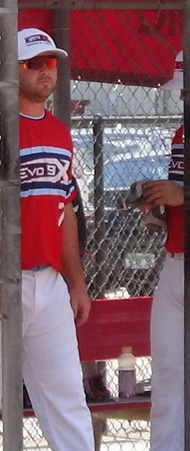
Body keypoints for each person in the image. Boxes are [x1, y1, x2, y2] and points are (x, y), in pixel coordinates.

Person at [0, 28, 94, 450]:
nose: (46, 71)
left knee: (67, 397)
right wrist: (0, 279)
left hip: (48, 281)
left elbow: (64, 212)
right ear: (9, 70)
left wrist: (76, 283)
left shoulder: (58, 131)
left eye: (51, 62)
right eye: (33, 63)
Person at [142, 49, 185, 451]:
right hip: (175, 263)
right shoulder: (181, 134)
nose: (182, 97)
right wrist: (157, 207)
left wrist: (181, 196)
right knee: (168, 374)